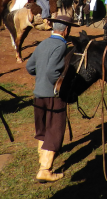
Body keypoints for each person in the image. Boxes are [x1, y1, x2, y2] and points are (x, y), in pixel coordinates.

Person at [26, 14, 74, 182]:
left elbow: (29, 67)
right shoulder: (61, 46)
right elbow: (52, 71)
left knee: (43, 129)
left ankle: (42, 160)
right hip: (53, 96)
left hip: (38, 94)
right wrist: (59, 83)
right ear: (66, 30)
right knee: (54, 130)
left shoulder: (43, 43)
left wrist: (40, 79)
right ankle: (45, 169)